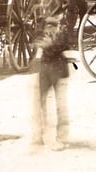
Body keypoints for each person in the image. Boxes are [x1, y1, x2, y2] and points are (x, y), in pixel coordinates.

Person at [32, 10, 72, 151]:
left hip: (59, 68)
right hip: (45, 67)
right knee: (41, 102)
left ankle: (61, 138)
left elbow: (66, 43)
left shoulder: (63, 27)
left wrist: (50, 44)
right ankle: (40, 134)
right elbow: (35, 40)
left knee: (60, 105)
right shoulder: (41, 24)